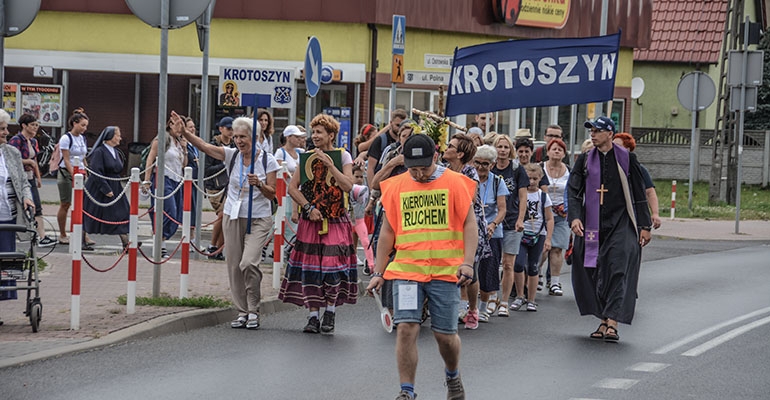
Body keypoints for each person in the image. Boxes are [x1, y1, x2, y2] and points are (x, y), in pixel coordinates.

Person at [366, 134, 478, 400]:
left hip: (446, 271)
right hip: (406, 270)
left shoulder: (456, 183)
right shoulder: (395, 186)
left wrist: (468, 263)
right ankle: (407, 391)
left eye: (424, 168)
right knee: (405, 328)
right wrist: (379, 272)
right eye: (413, 167)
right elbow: (387, 233)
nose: (418, 173)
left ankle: (452, 376)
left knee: (445, 336)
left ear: (435, 158)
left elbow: (469, 224)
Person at [176, 112, 278, 330]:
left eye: (244, 137)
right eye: (237, 137)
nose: (239, 141)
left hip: (258, 216)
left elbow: (273, 194)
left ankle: (254, 309)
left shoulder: (267, 160)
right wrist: (184, 132)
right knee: (234, 265)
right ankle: (243, 311)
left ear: (255, 138)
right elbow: (204, 146)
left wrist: (259, 184)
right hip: (233, 214)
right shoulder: (232, 155)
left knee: (248, 262)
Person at [568, 116, 652, 342]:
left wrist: (645, 225)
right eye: (591, 131)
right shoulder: (584, 160)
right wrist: (574, 218)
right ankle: (602, 318)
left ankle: (613, 321)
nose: (592, 135)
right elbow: (574, 191)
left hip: (621, 221)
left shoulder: (627, 159)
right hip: (592, 222)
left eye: (597, 131)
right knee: (593, 269)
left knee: (617, 267)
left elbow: (638, 193)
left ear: (610, 134)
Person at [279, 113, 357, 335]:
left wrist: (331, 166)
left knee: (332, 268)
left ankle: (330, 311)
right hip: (311, 221)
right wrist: (307, 208)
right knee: (311, 269)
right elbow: (293, 188)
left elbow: (348, 186)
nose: (315, 136)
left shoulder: (343, 156)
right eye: (313, 132)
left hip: (335, 219)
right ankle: (313, 316)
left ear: (331, 135)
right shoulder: (306, 158)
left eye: (319, 132)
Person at [442, 133, 489, 330]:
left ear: (459, 154)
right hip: (449, 223)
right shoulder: (443, 170)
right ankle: (456, 307)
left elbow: (470, 197)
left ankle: (472, 308)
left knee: (471, 271)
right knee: (452, 266)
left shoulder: (470, 172)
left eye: (450, 145)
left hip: (470, 224)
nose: (446, 147)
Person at [491, 134, 528, 316]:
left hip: (512, 221)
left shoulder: (517, 170)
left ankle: (504, 301)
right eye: (500, 147)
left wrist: (521, 219)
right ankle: (490, 297)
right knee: (490, 262)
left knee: (508, 263)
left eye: (506, 147)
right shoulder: (490, 168)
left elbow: (523, 197)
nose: (503, 150)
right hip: (493, 220)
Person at [510, 163, 554, 312]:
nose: (532, 182)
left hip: (538, 234)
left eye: (535, 178)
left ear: (540, 178)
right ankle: (519, 295)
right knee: (519, 264)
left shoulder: (543, 196)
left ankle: (531, 299)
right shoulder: (520, 194)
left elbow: (549, 218)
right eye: (529, 178)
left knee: (534, 267)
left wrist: (548, 238)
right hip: (521, 233)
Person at [143, 117, 188, 258]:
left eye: (182, 126)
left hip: (177, 179)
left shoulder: (179, 143)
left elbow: (183, 165)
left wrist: (185, 149)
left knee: (177, 216)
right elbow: (151, 158)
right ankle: (159, 242)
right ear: (170, 124)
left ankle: (161, 241)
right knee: (169, 211)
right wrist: (146, 180)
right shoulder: (162, 139)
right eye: (178, 125)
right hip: (163, 178)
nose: (180, 128)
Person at [8, 113, 54, 247]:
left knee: (37, 207)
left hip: (30, 177)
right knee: (20, 208)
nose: (35, 128)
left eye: (37, 125)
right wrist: (27, 161)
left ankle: (42, 236)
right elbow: (12, 160)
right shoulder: (16, 140)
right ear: (24, 126)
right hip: (19, 179)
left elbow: (35, 161)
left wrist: (38, 177)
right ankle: (24, 234)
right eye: (33, 125)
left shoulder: (33, 141)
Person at [474, 145, 508, 321]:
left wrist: (494, 224)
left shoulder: (497, 182)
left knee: (488, 270)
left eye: (485, 164)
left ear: (492, 165)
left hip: (491, 232)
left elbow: (502, 209)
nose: (480, 168)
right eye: (477, 163)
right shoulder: (468, 179)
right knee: (470, 270)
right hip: (472, 230)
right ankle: (466, 307)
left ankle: (482, 307)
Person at [83, 126, 130, 250]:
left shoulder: (115, 151)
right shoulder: (100, 151)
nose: (120, 138)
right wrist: (105, 189)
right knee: (92, 213)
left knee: (121, 212)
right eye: (118, 135)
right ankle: (82, 239)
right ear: (110, 136)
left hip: (115, 185)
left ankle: (126, 242)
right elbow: (96, 171)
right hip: (99, 187)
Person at [0, 109, 35, 252]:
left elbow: (23, 182)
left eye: (6, 128)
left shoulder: (12, 152)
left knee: (7, 260)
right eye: (2, 129)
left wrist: (26, 197)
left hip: (8, 218)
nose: (7, 132)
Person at [539, 139, 571, 296]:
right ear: (548, 151)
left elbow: (573, 191)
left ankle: (555, 283)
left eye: (560, 149)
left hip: (561, 215)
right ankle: (536, 274)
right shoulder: (540, 168)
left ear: (564, 154)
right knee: (543, 249)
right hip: (542, 213)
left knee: (557, 248)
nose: (557, 151)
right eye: (554, 149)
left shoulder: (569, 171)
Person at [57, 109, 92, 249]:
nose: (84, 128)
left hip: (81, 173)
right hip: (67, 172)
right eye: (82, 125)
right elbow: (66, 159)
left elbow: (83, 157)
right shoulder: (66, 138)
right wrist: (73, 174)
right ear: (74, 123)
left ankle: (83, 234)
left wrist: (86, 171)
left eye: (86, 126)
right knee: (66, 203)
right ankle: (62, 233)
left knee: (82, 205)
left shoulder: (82, 138)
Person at [613, 133, 662, 229]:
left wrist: (655, 213)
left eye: (618, 146)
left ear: (627, 149)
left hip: (631, 215)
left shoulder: (639, 169)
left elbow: (649, 192)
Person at [204, 116, 236, 261]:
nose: (231, 132)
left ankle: (219, 248)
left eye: (232, 129)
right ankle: (212, 245)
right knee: (222, 214)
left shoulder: (235, 144)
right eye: (228, 129)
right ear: (220, 129)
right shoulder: (214, 145)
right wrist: (224, 163)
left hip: (231, 186)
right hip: (215, 186)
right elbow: (206, 169)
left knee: (227, 216)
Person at [366, 109, 407, 186]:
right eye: (397, 125)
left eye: (402, 125)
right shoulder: (381, 141)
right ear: (391, 123)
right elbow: (370, 168)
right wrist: (372, 191)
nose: (400, 129)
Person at [349, 164, 374, 270]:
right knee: (349, 241)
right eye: (357, 177)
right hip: (349, 219)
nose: (359, 179)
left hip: (359, 219)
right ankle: (350, 260)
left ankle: (371, 264)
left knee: (365, 241)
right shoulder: (348, 187)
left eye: (361, 177)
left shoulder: (364, 188)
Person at [183, 117, 200, 244]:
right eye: (190, 127)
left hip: (196, 181)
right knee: (189, 210)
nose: (193, 129)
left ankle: (192, 239)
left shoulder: (195, 145)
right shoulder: (184, 145)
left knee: (194, 210)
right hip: (186, 182)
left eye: (193, 127)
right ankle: (189, 239)